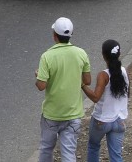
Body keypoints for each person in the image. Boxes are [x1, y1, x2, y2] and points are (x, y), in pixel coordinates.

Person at [35, 17, 91, 162]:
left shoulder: (47, 56)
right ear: (71, 34)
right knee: (68, 153)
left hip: (52, 115)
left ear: (54, 36)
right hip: (73, 115)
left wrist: (39, 76)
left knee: (46, 149)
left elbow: (41, 86)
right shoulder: (81, 53)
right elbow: (87, 81)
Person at [82, 40, 130, 162]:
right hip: (119, 120)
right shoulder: (124, 72)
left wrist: (82, 85)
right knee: (116, 156)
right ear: (119, 54)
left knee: (93, 146)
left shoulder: (103, 75)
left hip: (101, 120)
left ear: (103, 55)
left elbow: (95, 97)